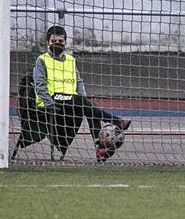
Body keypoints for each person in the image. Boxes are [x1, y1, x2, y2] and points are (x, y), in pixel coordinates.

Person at [14, 25, 131, 163]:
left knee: (88, 106)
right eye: (53, 41)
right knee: (84, 104)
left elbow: (79, 82)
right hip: (51, 101)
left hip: (70, 103)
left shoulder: (71, 60)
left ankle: (100, 148)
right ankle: (115, 122)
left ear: (66, 42)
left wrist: (85, 99)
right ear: (47, 43)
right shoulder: (42, 60)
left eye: (60, 41)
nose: (57, 44)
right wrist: (49, 103)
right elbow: (39, 86)